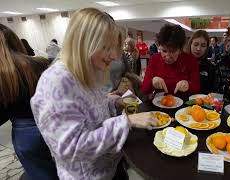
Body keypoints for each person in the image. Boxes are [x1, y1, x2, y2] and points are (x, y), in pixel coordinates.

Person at [30, 8, 158, 180]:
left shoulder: (85, 71)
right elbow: (72, 149)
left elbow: (87, 110)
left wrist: (112, 102)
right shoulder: (56, 82)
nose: (113, 55)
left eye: (114, 47)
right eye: (106, 47)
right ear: (84, 42)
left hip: (109, 168)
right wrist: (126, 121)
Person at [0, 24, 58, 179]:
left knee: (40, 173)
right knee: (65, 166)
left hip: (25, 130)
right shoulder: (41, 62)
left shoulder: (2, 74)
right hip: (54, 121)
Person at [141, 24, 200, 97]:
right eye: (164, 51)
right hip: (159, 102)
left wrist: (188, 85)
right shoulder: (154, 59)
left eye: (172, 51)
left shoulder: (191, 60)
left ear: (180, 50)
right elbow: (144, 89)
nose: (168, 56)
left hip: (183, 103)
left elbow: (197, 88)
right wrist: (152, 81)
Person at [185, 30, 217, 94]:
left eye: (203, 45)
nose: (198, 48)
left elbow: (212, 90)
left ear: (207, 48)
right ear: (190, 44)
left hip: (202, 102)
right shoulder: (181, 62)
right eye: (196, 44)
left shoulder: (210, 67)